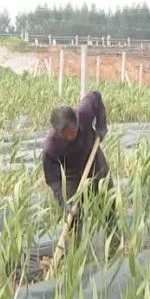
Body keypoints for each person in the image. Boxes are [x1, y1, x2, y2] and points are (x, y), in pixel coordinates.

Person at [42, 90, 117, 246]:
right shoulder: (51, 147)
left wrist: (102, 125)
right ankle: (73, 255)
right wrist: (62, 200)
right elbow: (53, 179)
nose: (72, 136)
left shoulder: (83, 113)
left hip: (95, 162)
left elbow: (96, 96)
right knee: (74, 217)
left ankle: (113, 243)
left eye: (74, 131)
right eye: (67, 135)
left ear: (76, 121)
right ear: (58, 132)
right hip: (72, 177)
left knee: (109, 204)